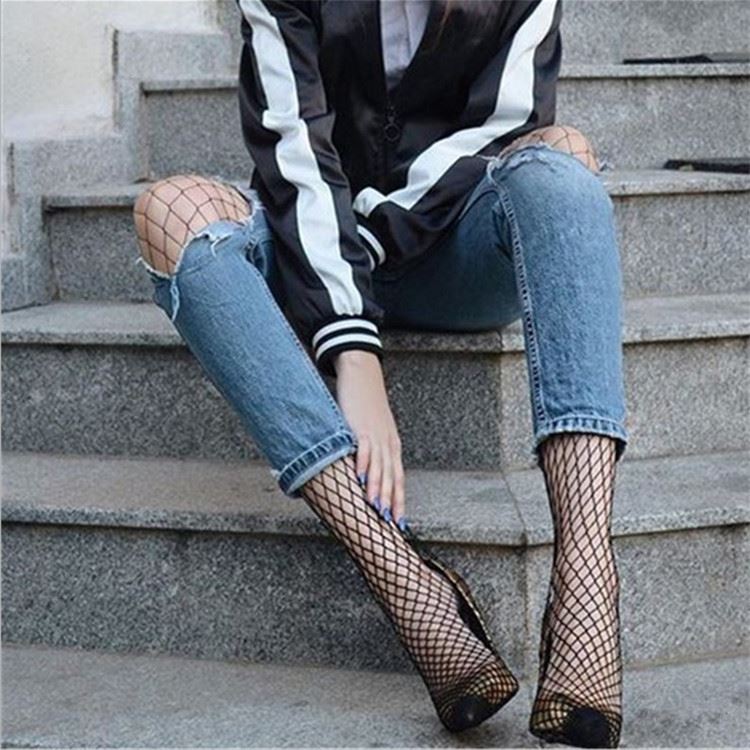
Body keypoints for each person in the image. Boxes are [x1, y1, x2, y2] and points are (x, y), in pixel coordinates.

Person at [132, 0, 629, 746]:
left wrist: (365, 235)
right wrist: (352, 346)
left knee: (563, 162)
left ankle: (586, 583)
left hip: (454, 245)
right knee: (168, 212)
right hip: (312, 243)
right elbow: (294, 147)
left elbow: (505, 127)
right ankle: (406, 583)